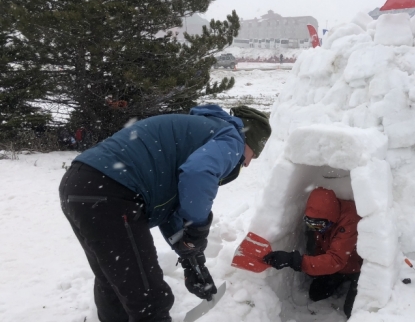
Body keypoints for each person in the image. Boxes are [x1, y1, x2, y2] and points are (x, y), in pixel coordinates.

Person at [59, 104, 271, 321]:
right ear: (249, 140)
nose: (247, 163)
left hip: (80, 185)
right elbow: (198, 172)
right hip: (112, 192)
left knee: (113, 282)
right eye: (253, 155)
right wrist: (197, 226)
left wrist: (191, 259)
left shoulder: (201, 131)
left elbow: (169, 209)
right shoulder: (232, 138)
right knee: (148, 299)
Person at [263, 188, 363, 319]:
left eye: (319, 226)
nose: (317, 229)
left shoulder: (350, 221)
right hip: (340, 267)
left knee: (351, 311)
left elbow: (336, 260)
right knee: (316, 293)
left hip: (358, 267)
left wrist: (294, 260)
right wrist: (314, 266)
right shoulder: (321, 220)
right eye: (312, 225)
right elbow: (321, 247)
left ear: (331, 218)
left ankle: (353, 280)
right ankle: (341, 277)